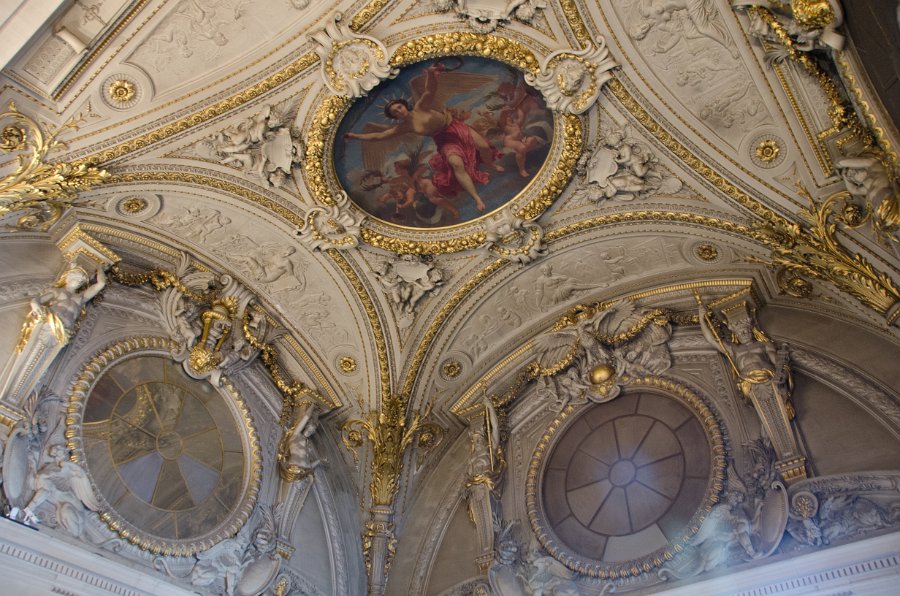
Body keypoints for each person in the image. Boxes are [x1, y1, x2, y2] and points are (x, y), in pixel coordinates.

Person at [345, 63, 503, 212]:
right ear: (394, 116)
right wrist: (355, 136)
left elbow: (429, 90)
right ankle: (477, 198)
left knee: (483, 147)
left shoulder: (420, 107)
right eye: (395, 112)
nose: (399, 111)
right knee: (456, 164)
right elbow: (379, 136)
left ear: (404, 105)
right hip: (443, 140)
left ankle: (490, 164)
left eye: (399, 107)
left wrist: (430, 74)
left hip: (455, 127)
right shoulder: (404, 127)